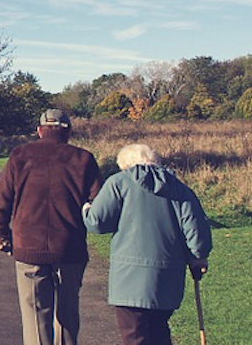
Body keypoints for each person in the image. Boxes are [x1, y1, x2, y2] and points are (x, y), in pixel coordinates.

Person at [82, 144, 212, 345]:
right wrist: (198, 256)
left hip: (128, 280)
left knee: (135, 336)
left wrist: (87, 208)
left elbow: (97, 222)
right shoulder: (179, 188)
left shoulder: (119, 182)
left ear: (125, 165)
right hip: (168, 278)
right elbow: (196, 232)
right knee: (159, 332)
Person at [0, 109, 103, 345]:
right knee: (68, 314)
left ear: (39, 130)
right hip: (70, 248)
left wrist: (3, 236)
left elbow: (1, 201)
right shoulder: (84, 159)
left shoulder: (20, 156)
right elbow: (98, 204)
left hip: (29, 246)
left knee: (34, 315)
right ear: (68, 132)